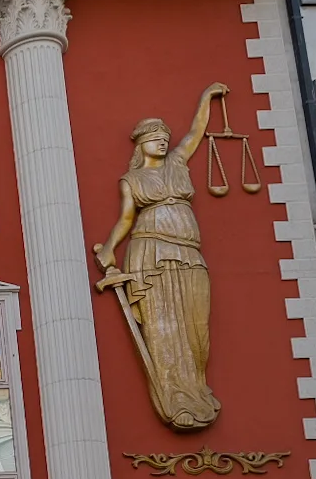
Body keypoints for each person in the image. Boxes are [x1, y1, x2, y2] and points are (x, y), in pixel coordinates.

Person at [95, 82, 229, 431]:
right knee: (163, 329)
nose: (163, 142)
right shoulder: (132, 180)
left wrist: (206, 99)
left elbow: (196, 133)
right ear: (141, 144)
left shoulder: (178, 163)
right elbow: (126, 219)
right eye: (155, 138)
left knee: (196, 328)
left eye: (165, 138)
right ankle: (176, 398)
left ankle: (197, 391)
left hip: (188, 253)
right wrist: (108, 249)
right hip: (151, 254)